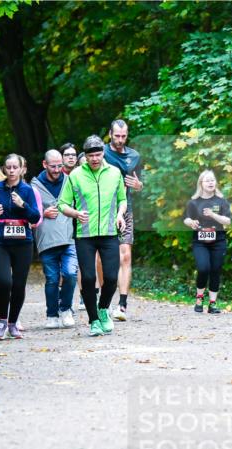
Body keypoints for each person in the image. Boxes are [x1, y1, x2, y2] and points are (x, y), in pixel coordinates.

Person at [57, 135, 127, 337]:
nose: (95, 159)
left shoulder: (114, 173)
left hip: (109, 232)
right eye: (91, 156)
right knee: (88, 278)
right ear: (85, 157)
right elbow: (62, 204)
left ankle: (103, 308)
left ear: (103, 153)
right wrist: (75, 213)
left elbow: (122, 200)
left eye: (98, 154)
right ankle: (94, 320)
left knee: (111, 278)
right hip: (84, 235)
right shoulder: (76, 175)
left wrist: (120, 215)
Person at [0, 153, 40, 340]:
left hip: (23, 242)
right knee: (4, 281)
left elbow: (35, 217)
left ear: (21, 169)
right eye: (8, 167)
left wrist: (23, 204)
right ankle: (2, 320)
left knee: (18, 284)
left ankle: (13, 322)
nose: (11, 171)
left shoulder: (27, 190)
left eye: (14, 167)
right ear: (4, 169)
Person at [31, 150, 78, 328]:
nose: (57, 169)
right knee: (52, 279)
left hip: (68, 239)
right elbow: (28, 211)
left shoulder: (69, 181)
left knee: (70, 274)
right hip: (46, 240)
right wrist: (43, 213)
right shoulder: (34, 186)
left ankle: (65, 309)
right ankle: (52, 315)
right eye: (53, 166)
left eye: (60, 166)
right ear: (45, 164)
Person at [103, 119, 143, 321]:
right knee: (100, 258)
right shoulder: (100, 153)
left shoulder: (134, 156)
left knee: (125, 255)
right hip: (102, 210)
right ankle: (102, 301)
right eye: (117, 136)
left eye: (124, 136)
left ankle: (122, 304)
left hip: (124, 209)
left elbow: (140, 183)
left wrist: (138, 185)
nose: (120, 140)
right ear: (110, 134)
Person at [183, 170, 231, 314]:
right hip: (200, 242)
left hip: (218, 241)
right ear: (201, 184)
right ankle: (199, 298)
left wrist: (213, 214)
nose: (211, 183)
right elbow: (186, 218)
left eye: (213, 180)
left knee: (215, 270)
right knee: (203, 268)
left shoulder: (221, 201)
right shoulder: (193, 202)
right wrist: (191, 222)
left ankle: (212, 303)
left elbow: (227, 221)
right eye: (207, 180)